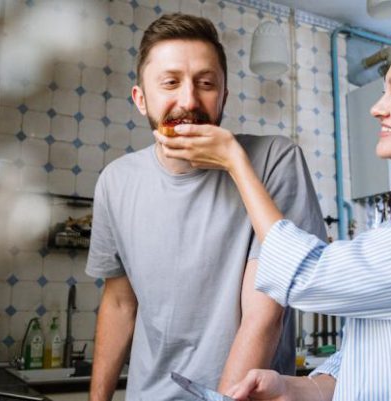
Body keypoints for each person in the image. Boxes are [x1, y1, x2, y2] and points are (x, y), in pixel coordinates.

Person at [155, 19, 391, 401]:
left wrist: (237, 164)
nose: (377, 108)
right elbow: (371, 357)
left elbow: (310, 277)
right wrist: (297, 388)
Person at [85, 13, 327, 401]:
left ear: (224, 96)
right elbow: (118, 303)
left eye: (206, 83)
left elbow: (264, 316)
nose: (189, 101)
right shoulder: (115, 182)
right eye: (170, 83)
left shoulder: (275, 160)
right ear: (141, 99)